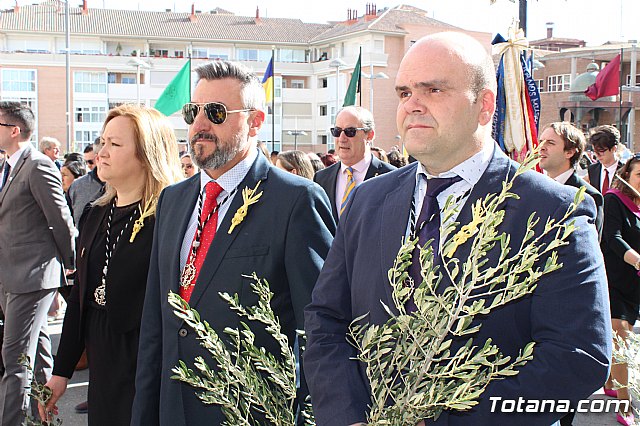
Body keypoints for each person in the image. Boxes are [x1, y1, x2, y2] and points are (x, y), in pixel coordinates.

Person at [304, 32, 611, 426]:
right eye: (403, 93)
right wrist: (349, 416)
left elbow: (577, 355)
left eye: (433, 89)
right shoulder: (367, 201)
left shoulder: (554, 211)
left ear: (484, 106)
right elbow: (326, 318)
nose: (412, 105)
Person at [131, 60, 335, 426]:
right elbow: (156, 323)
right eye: (193, 112)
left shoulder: (295, 200)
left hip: (254, 411)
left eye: (216, 112)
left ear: (255, 121)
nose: (200, 124)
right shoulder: (173, 200)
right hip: (174, 408)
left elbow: (319, 327)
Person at [39, 105, 183, 425]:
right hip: (102, 367)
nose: (101, 153)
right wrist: (61, 372)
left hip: (148, 369)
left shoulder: (170, 219)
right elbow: (81, 299)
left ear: (148, 155)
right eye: (102, 141)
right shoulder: (94, 213)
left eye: (114, 145)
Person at [0, 101, 76, 425]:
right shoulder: (7, 166)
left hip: (33, 276)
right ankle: (45, 417)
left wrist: (71, 265)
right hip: (11, 275)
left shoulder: (38, 165)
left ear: (14, 130)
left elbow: (61, 220)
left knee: (15, 359)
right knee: (40, 353)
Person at [601, 155, 640, 426]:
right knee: (623, 342)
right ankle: (625, 405)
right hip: (615, 281)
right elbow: (612, 237)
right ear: (627, 176)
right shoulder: (614, 199)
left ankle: (610, 381)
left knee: (618, 344)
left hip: (635, 285)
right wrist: (637, 259)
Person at [314, 106, 396, 222]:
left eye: (350, 132)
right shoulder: (322, 178)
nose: (342, 138)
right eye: (337, 131)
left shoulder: (391, 177)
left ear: (370, 135)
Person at [538, 122, 604, 240]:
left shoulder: (588, 196)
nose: (541, 147)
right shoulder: (533, 188)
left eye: (550, 143)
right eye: (541, 141)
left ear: (570, 152)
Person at [67, 137, 105, 226]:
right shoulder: (76, 187)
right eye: (86, 162)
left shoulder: (127, 186)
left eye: (90, 162)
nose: (88, 165)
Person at [586, 125, 624, 194]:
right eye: (595, 151)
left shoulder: (625, 171)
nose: (597, 155)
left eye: (601, 151)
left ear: (613, 149)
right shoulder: (592, 169)